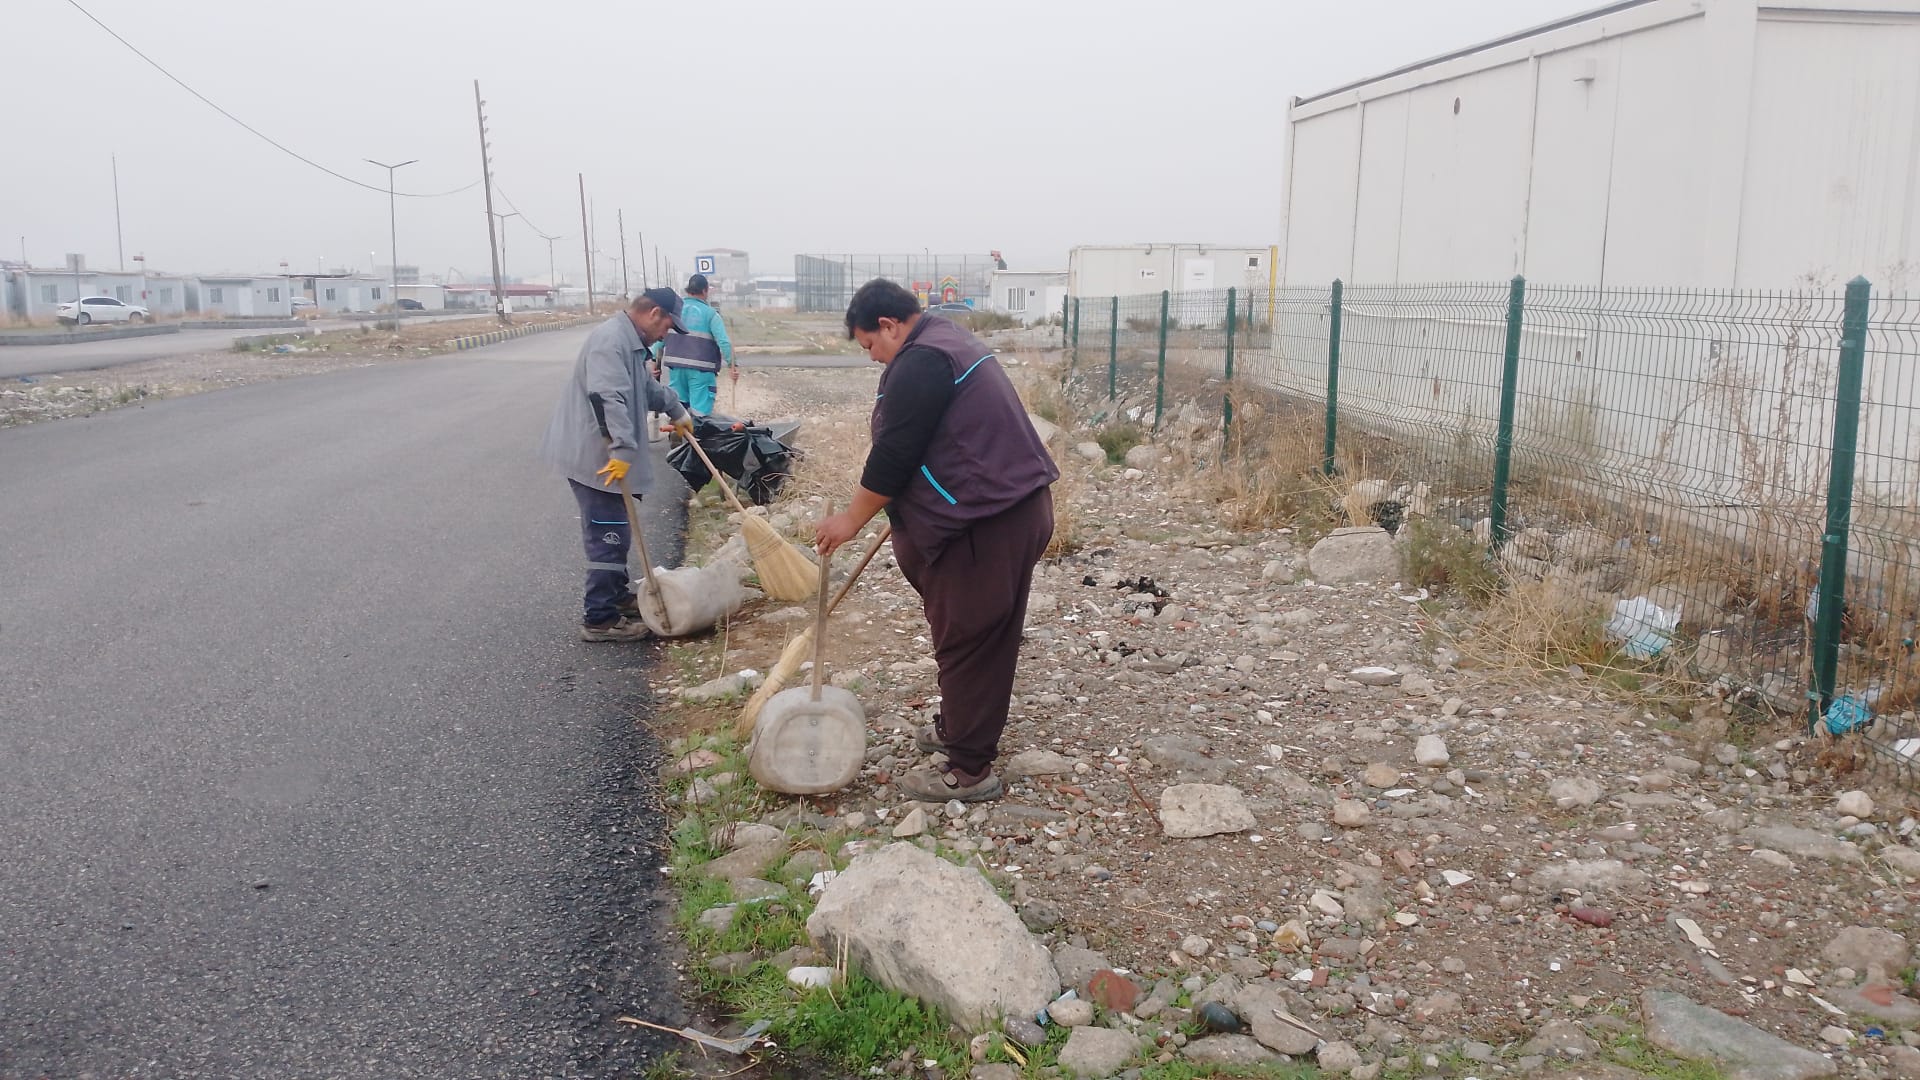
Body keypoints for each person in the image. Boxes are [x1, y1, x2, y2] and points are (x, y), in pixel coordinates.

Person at [814, 279, 1058, 802]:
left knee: (971, 640)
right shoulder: (944, 339)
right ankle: (958, 727)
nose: (872, 357)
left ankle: (968, 769)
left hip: (988, 521)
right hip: (1000, 510)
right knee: (971, 631)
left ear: (888, 325)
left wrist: (850, 520)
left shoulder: (924, 359)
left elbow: (895, 452)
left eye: (870, 345)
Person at [538, 288, 697, 642]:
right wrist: (623, 451)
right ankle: (600, 618)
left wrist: (676, 410)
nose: (667, 334)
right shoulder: (610, 342)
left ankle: (617, 595)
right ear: (654, 313)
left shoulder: (630, 342)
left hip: (607, 455)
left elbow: (645, 387)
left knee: (617, 528)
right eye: (668, 325)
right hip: (597, 457)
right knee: (608, 534)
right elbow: (606, 397)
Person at [658, 273, 736, 415]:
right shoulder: (711, 314)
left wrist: (652, 360)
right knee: (700, 413)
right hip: (701, 371)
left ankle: (678, 427)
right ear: (705, 290)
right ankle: (697, 429)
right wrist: (732, 364)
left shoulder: (674, 311)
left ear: (688, 289)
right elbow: (724, 342)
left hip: (676, 369)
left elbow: (659, 335)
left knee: (678, 409)